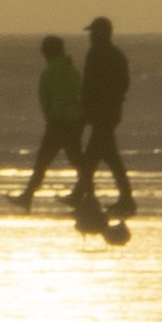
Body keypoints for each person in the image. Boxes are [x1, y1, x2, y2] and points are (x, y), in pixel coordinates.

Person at [70, 15, 137, 221]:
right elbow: (124, 84)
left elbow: (89, 86)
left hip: (99, 113)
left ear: (100, 33)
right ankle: (124, 197)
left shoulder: (96, 54)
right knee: (109, 156)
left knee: (94, 157)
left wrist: (85, 111)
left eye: (93, 32)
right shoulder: (117, 55)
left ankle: (81, 194)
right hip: (112, 113)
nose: (90, 36)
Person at [12, 33, 84, 207]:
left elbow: (58, 97)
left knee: (43, 161)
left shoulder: (52, 72)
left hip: (59, 123)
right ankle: (84, 195)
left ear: (48, 52)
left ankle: (27, 196)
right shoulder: (72, 70)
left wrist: (54, 117)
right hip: (75, 122)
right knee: (77, 162)